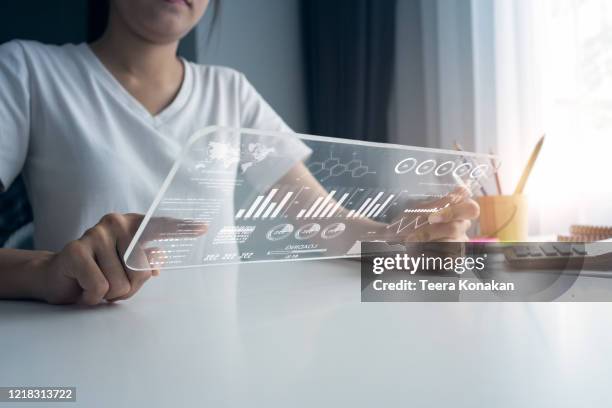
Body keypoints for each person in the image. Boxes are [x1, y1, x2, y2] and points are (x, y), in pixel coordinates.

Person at [0, 0, 479, 305]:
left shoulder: (231, 92)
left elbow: (323, 224)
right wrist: (45, 271)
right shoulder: (29, 71)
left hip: (217, 349)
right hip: (77, 344)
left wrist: (401, 239)